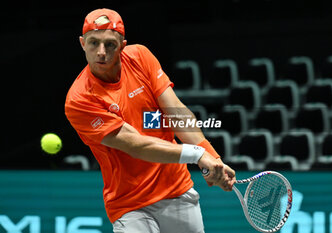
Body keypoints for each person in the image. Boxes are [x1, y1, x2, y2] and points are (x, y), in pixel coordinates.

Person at [65, 8, 236, 233]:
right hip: (130, 204)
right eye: (93, 43)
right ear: (81, 43)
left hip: (177, 190)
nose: (101, 52)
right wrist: (197, 154)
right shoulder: (80, 99)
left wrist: (212, 158)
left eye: (110, 44)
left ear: (123, 45)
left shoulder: (139, 57)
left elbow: (176, 113)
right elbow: (136, 145)